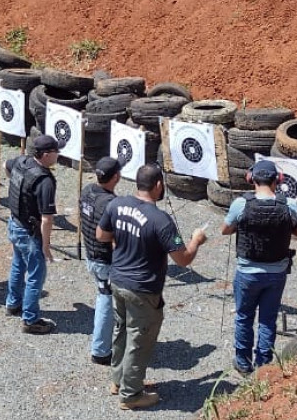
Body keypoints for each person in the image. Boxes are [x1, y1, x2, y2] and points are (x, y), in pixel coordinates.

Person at [97, 163, 207, 410]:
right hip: (143, 290)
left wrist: (125, 243)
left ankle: (119, 381)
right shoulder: (161, 220)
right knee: (140, 339)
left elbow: (101, 235)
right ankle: (131, 394)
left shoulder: (116, 204)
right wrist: (196, 240)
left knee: (122, 332)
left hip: (117, 281)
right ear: (158, 185)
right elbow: (183, 258)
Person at [221, 160, 297, 375]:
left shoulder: (241, 204)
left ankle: (243, 361)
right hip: (276, 273)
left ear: (251, 179)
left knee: (244, 316)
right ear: (277, 180)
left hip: (247, 273)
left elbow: (225, 229)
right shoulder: (290, 205)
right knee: (268, 319)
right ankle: (264, 365)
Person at [4, 134, 61, 334]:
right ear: (46, 155)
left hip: (15, 223)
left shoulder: (21, 161)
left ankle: (13, 304)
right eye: (56, 151)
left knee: (18, 265)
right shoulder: (44, 180)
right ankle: (30, 319)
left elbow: (6, 165)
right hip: (29, 232)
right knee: (36, 276)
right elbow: (47, 218)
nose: (58, 154)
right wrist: (46, 246)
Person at [79, 156, 123, 365]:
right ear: (116, 177)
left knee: (104, 296)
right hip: (104, 259)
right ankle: (101, 350)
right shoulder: (110, 203)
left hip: (92, 254)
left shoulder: (87, 190)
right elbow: (110, 236)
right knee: (105, 299)